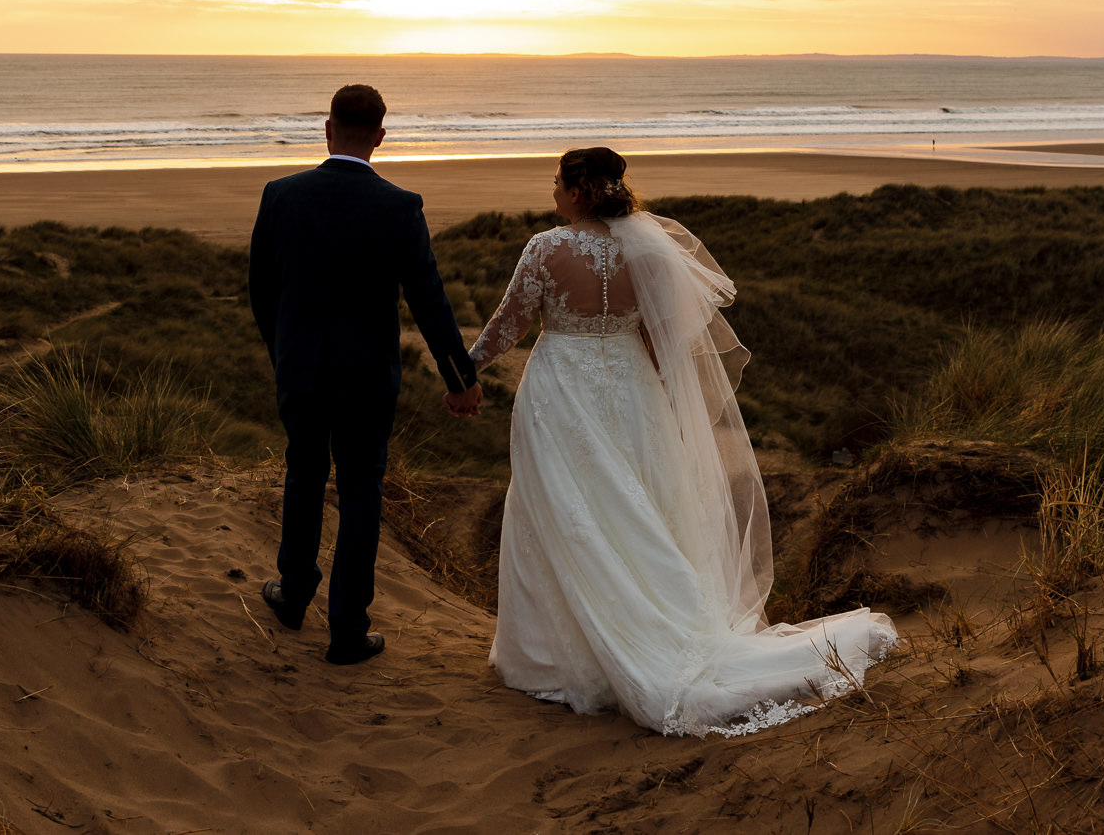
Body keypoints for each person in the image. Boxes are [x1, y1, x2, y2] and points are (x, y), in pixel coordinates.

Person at [469, 147, 897, 735]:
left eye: (557, 183)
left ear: (577, 191)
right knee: (640, 509)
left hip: (561, 394)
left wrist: (464, 373)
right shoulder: (646, 248)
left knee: (557, 511)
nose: (552, 192)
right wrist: (660, 399)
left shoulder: (545, 248)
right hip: (631, 392)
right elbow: (663, 339)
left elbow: (507, 326)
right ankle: (651, 627)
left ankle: (555, 655)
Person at [249, 84, 483, 665]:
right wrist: (460, 378)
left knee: (303, 474)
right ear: (380, 136)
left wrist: (285, 355)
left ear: (327, 130)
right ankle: (348, 629)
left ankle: (294, 593)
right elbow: (430, 301)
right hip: (367, 377)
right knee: (361, 493)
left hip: (301, 369)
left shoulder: (281, 196)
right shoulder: (400, 207)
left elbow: (261, 290)